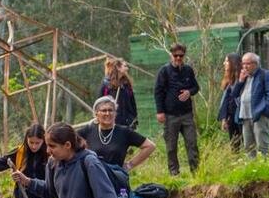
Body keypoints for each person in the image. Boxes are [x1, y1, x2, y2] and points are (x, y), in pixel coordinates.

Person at [153, 43, 201, 176]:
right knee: (171, 146)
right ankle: (174, 173)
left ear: (184, 56)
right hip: (170, 115)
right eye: (176, 55)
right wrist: (160, 111)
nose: (178, 58)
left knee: (192, 143)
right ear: (171, 55)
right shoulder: (164, 71)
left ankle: (196, 171)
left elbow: (196, 87)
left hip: (186, 114)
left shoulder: (188, 70)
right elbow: (158, 92)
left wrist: (189, 92)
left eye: (181, 55)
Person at [77, 96, 156, 174]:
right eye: (104, 110)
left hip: (116, 178)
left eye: (111, 110)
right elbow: (70, 142)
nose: (108, 113)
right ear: (96, 113)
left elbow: (150, 146)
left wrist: (129, 165)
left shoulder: (124, 132)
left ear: (115, 113)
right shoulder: (89, 129)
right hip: (93, 177)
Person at [231, 52, 269, 158]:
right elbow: (234, 94)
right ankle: (252, 169)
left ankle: (266, 168)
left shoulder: (265, 74)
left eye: (248, 63)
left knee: (262, 144)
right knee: (248, 146)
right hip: (244, 115)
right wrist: (240, 81)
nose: (245, 66)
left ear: (256, 64)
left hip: (259, 115)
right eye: (243, 64)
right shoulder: (244, 76)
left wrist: (265, 111)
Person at [100, 57, 138, 129]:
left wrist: (134, 118)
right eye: (125, 66)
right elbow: (100, 103)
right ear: (118, 68)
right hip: (113, 121)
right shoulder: (107, 84)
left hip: (128, 121)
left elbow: (132, 101)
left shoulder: (126, 84)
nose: (127, 68)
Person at [217, 53, 243, 151]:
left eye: (227, 61)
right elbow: (225, 101)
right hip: (231, 116)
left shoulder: (241, 78)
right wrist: (224, 118)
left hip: (240, 114)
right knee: (234, 143)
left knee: (245, 142)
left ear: (233, 63)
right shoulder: (228, 80)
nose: (224, 63)